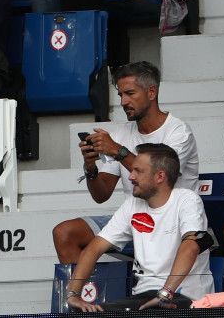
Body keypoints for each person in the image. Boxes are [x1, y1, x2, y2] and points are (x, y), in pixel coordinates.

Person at [52, 64, 200, 264]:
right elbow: (101, 195)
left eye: (130, 93)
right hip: (134, 219)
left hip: (171, 221)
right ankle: (80, 295)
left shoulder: (178, 132)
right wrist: (90, 167)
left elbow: (158, 180)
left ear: (151, 92)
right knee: (64, 233)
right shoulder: (122, 132)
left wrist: (118, 151)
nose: (123, 101)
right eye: (120, 95)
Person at [64, 145, 212, 312]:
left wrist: (165, 293)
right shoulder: (132, 205)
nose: (131, 177)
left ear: (160, 176)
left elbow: (191, 246)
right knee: (87, 316)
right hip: (143, 299)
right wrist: (73, 295)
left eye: (138, 171)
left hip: (184, 298)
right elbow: (94, 249)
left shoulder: (186, 199)